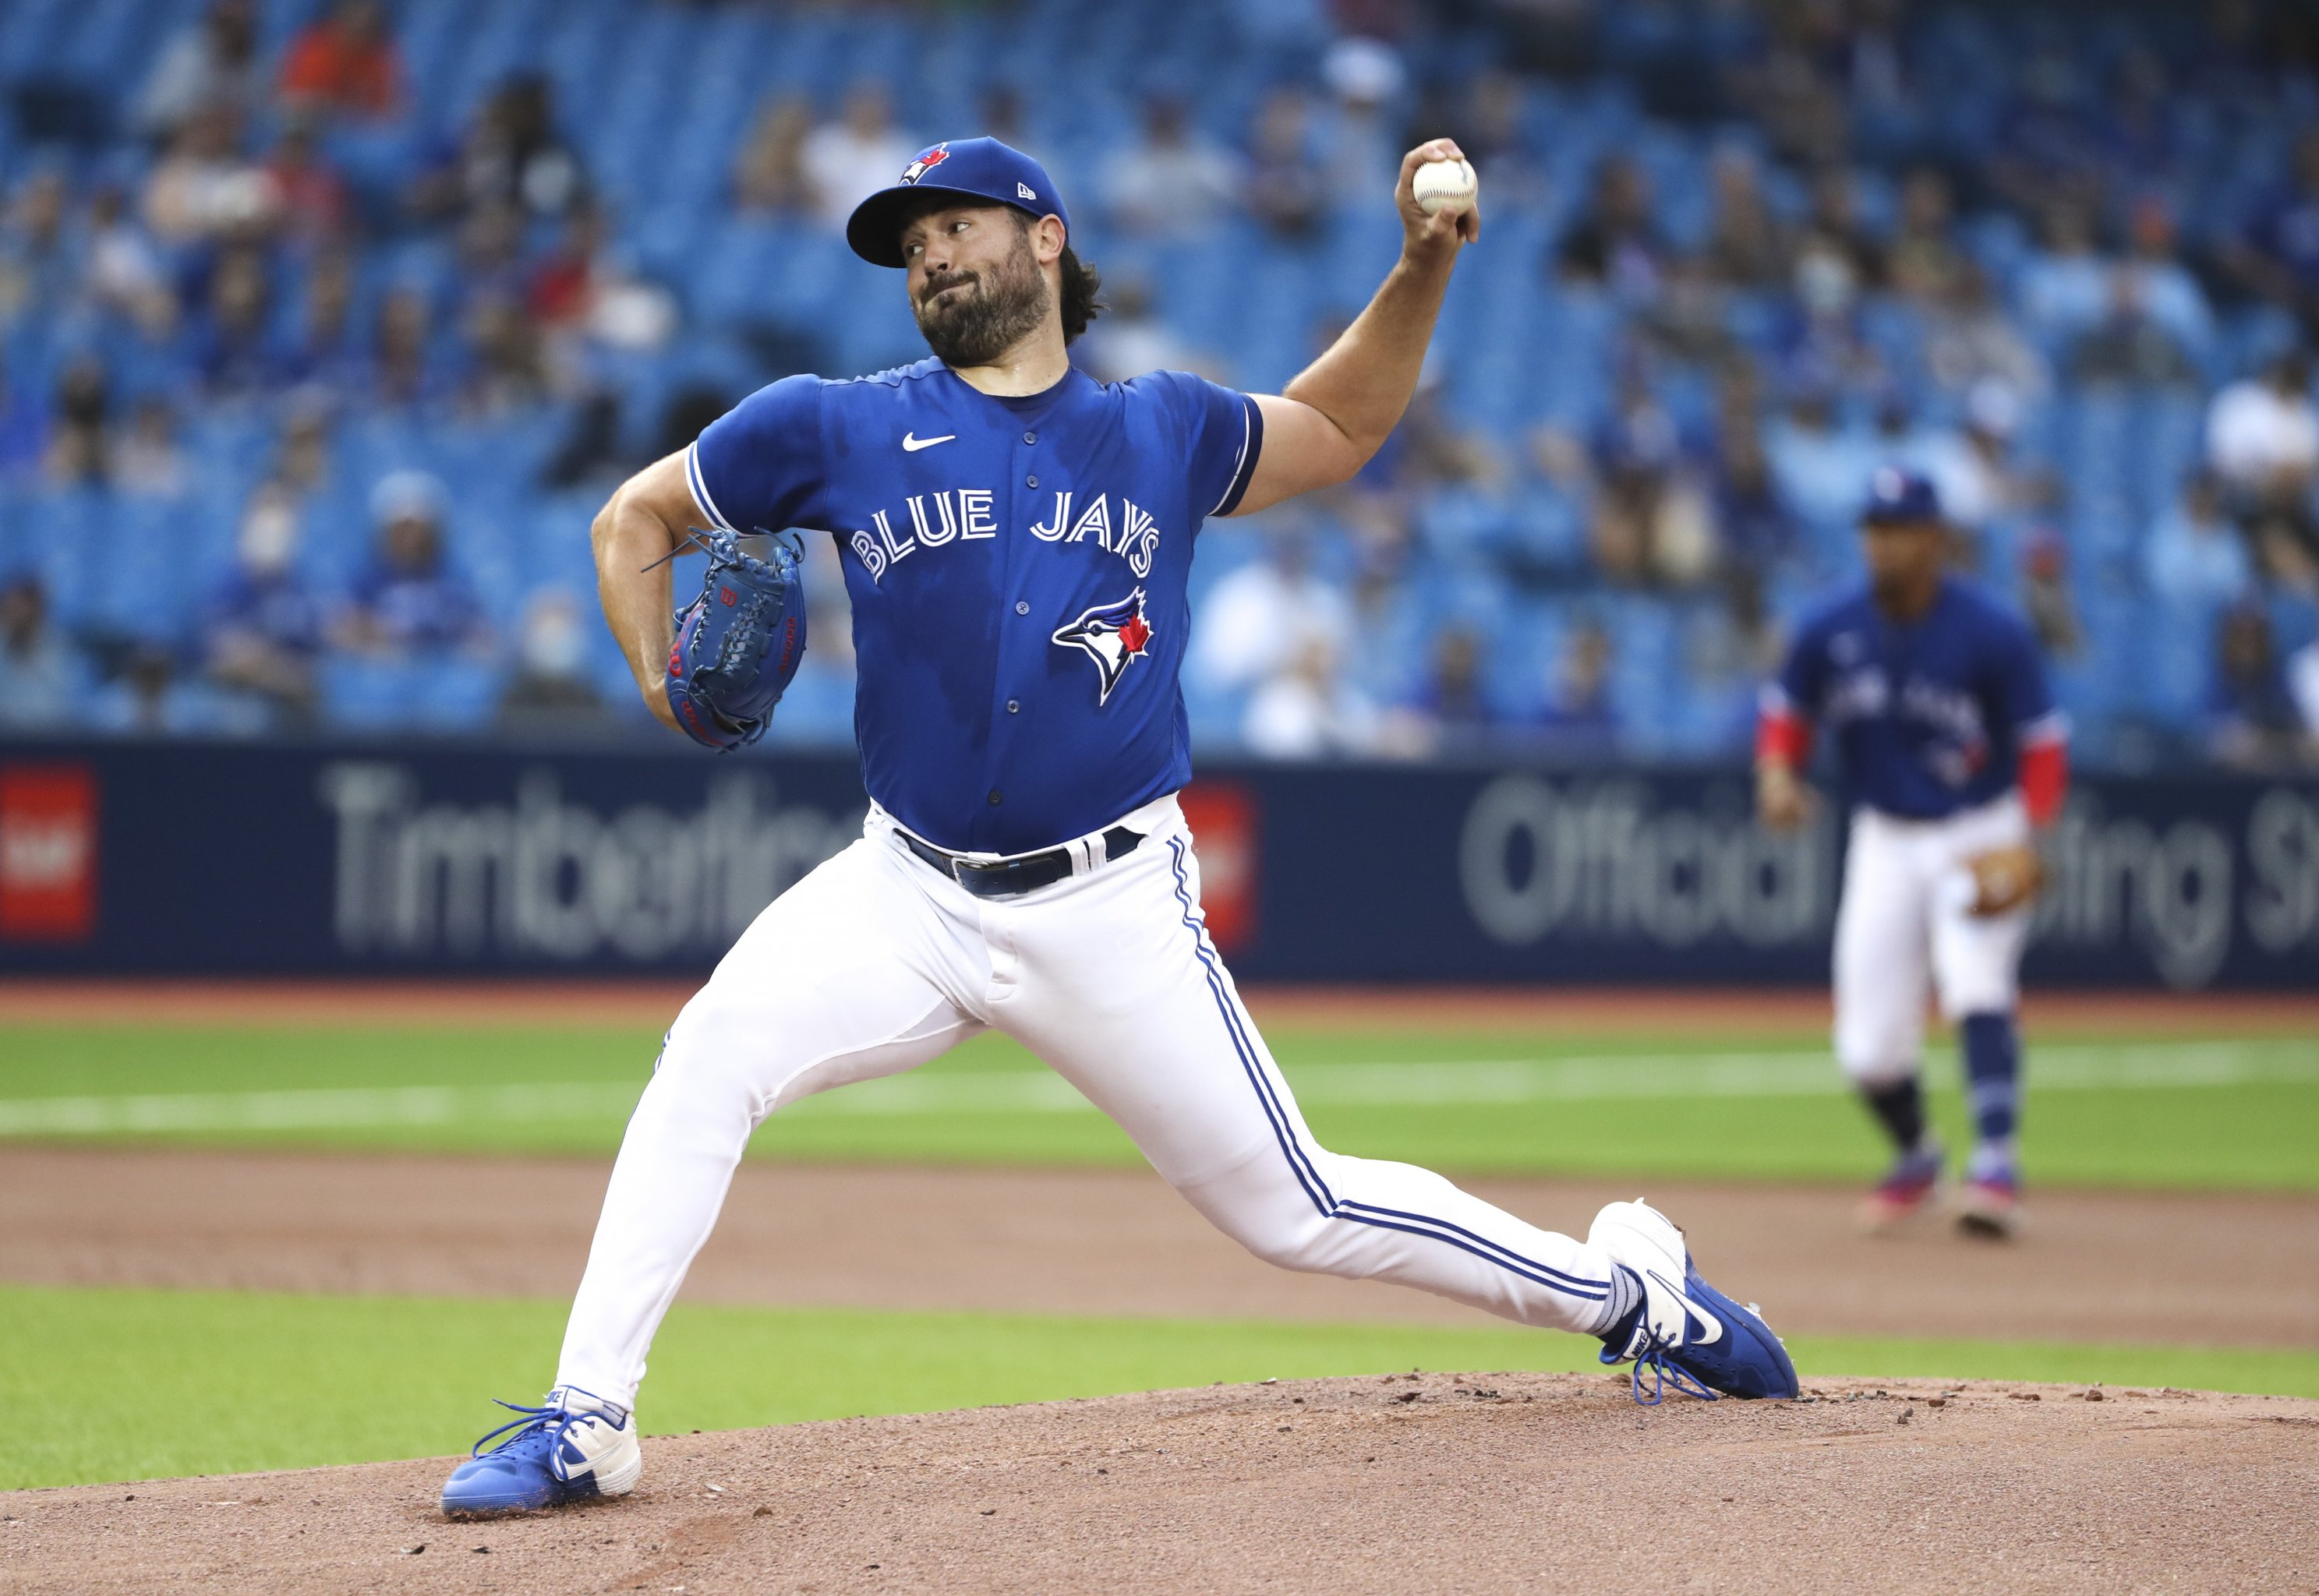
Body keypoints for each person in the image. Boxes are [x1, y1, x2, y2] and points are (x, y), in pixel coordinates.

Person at [437, 132, 1797, 1520]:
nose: (929, 256)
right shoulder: (828, 425)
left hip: (1109, 902)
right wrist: (668, 685)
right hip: (905, 890)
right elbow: (634, 517)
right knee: (709, 1051)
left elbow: (1343, 428)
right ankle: (588, 1418)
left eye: (953, 226)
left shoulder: (1159, 428)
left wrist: (1420, 267)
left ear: (1044, 239)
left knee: (1299, 1207)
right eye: (910, 247)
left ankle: (1634, 1297)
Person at [1756, 468, 2068, 1241]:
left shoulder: (1990, 628)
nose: (1881, 544)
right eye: (1872, 529)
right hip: (1885, 835)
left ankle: (1994, 1161)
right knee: (1865, 1048)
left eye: (1896, 529)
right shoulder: (1829, 623)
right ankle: (1917, 1154)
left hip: (1977, 827)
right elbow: (1784, 712)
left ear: (1933, 538)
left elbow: (2042, 745)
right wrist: (1775, 776)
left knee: (1974, 980)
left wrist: (2024, 836)